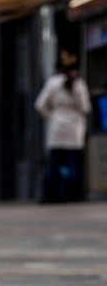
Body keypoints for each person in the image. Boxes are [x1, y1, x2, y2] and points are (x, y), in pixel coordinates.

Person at [36, 51, 93, 204]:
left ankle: (50, 196)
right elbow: (86, 108)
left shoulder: (52, 82)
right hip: (74, 131)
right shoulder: (79, 84)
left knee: (53, 165)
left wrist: (52, 117)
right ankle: (74, 195)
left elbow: (40, 105)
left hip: (57, 131)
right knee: (74, 165)